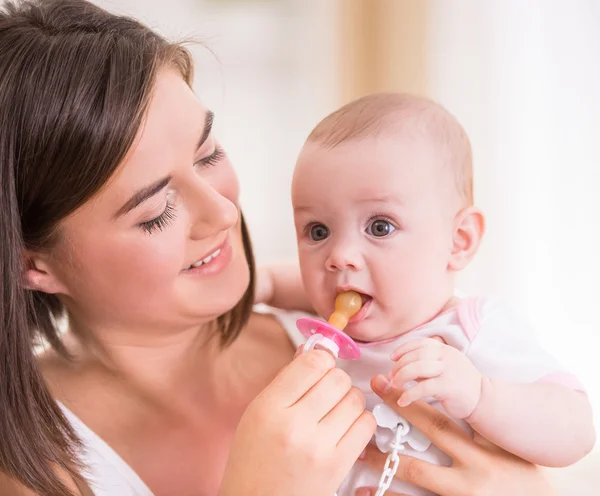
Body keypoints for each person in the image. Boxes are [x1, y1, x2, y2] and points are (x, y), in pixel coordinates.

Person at [0, 1, 562, 495]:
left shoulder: (367, 329)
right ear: (33, 264)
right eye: (156, 210)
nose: (223, 212)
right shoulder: (28, 469)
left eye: (208, 154)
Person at [264, 93, 595, 495]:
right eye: (318, 231)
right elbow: (301, 285)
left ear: (458, 241)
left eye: (380, 227)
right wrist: (262, 283)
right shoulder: (327, 339)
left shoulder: (470, 331)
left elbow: (576, 431)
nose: (339, 257)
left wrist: (479, 395)